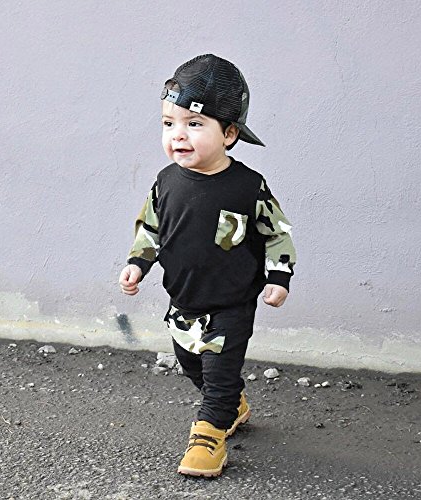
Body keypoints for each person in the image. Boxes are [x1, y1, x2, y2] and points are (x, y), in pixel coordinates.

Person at [119, 54, 296, 477]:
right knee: (192, 364)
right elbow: (151, 228)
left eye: (194, 124)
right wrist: (138, 264)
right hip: (184, 301)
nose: (178, 135)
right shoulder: (166, 182)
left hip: (231, 303)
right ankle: (230, 404)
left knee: (218, 373)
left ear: (229, 133)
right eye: (169, 123)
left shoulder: (247, 187)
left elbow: (277, 233)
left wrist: (279, 276)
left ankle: (209, 432)